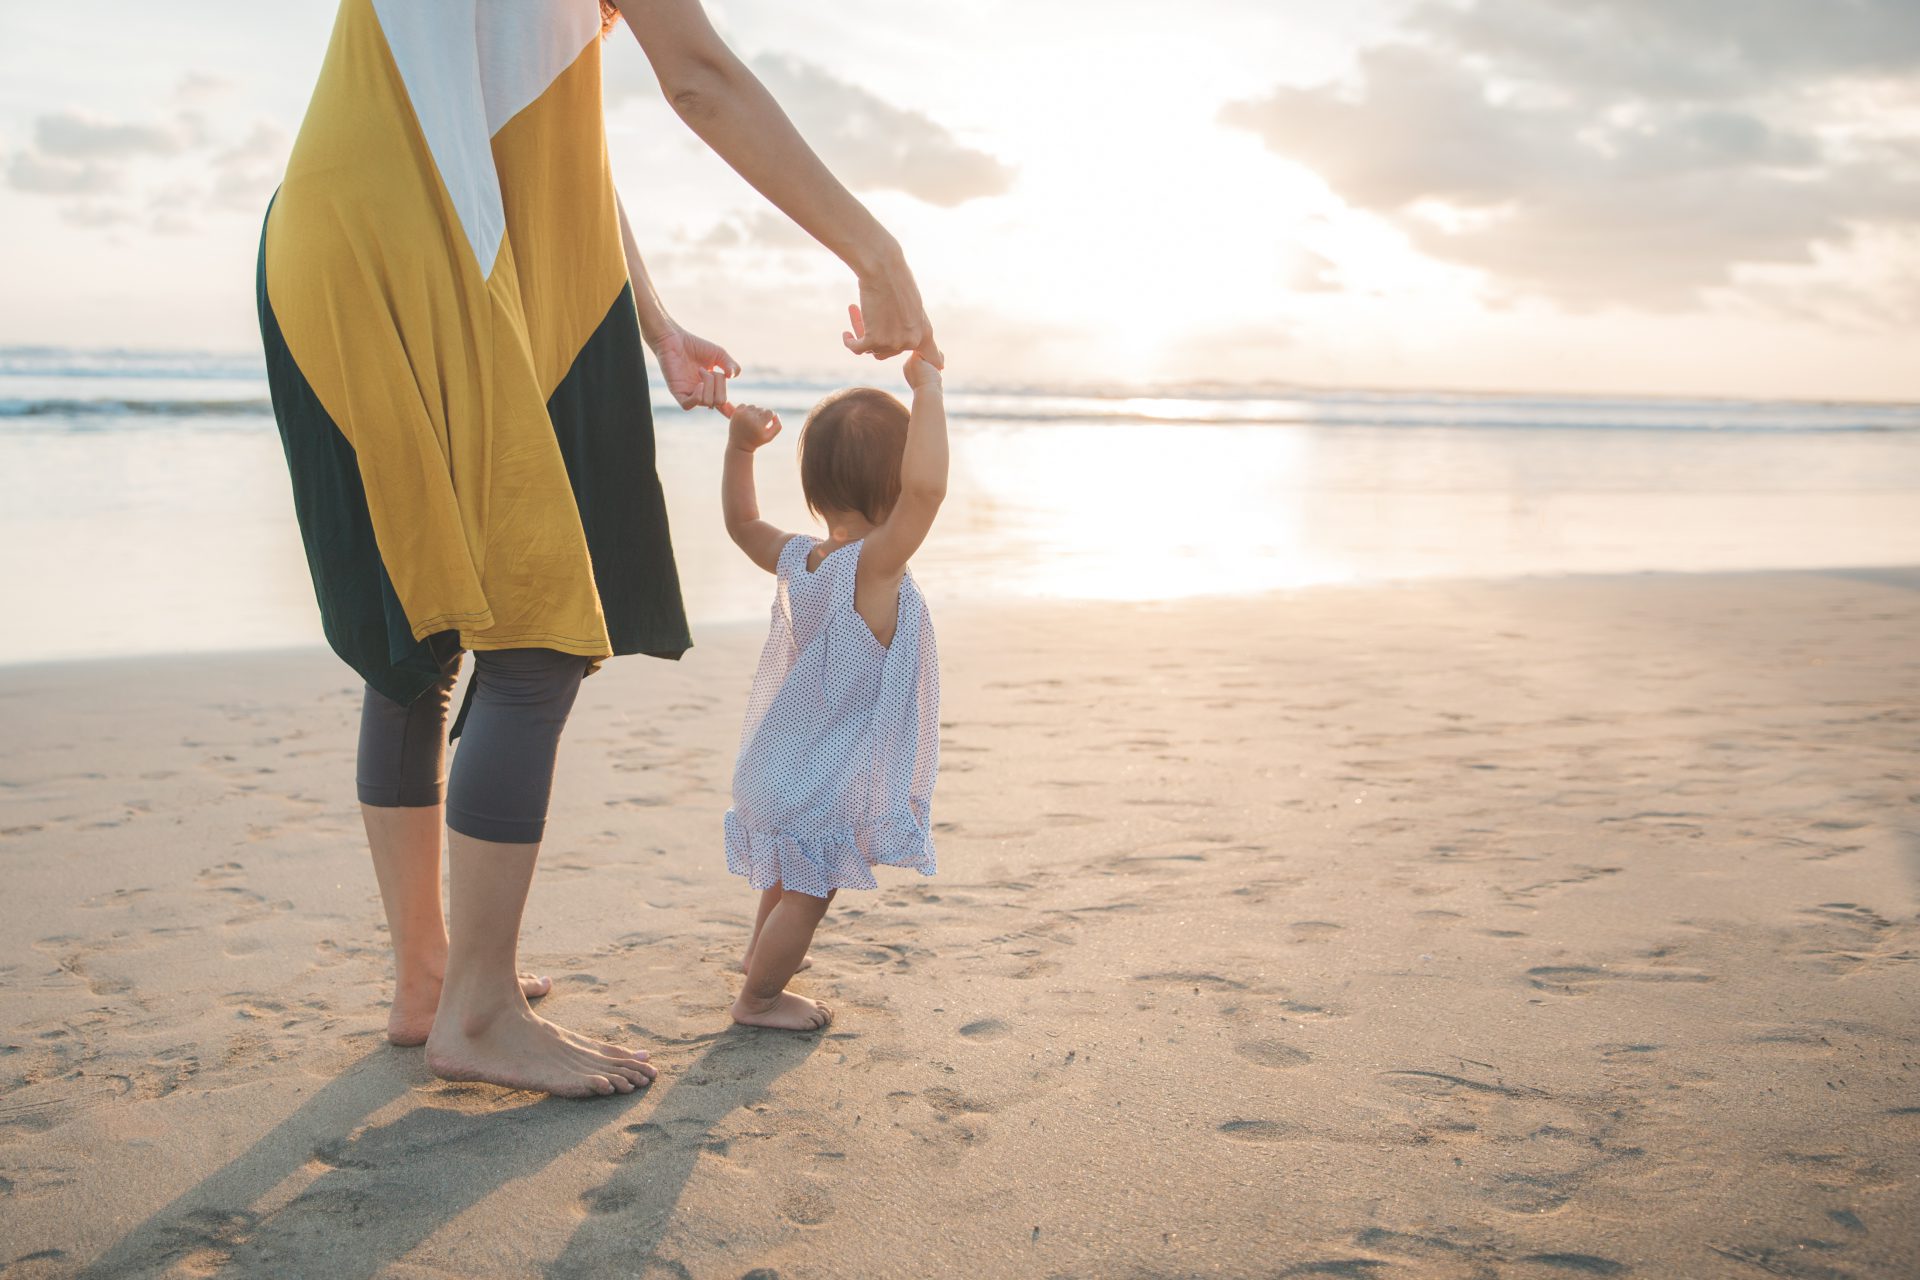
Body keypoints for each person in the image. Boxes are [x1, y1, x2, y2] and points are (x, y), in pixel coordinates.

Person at [257, 0, 940, 1097]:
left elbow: (531, 118)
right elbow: (700, 78)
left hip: (321, 237)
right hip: (443, 247)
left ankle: (431, 979)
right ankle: (477, 1012)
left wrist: (656, 321)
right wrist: (876, 247)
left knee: (416, 634)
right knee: (537, 635)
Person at [717, 328, 948, 1030]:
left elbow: (741, 520)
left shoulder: (798, 558)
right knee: (810, 893)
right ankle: (758, 997)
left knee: (791, 875)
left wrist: (739, 448)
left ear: (817, 486)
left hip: (777, 764)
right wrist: (928, 385)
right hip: (821, 776)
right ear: (892, 483)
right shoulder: (876, 567)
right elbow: (930, 488)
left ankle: (761, 959)